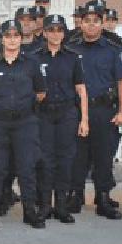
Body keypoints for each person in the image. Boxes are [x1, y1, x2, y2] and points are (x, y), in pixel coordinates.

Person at [0, 20, 48, 229]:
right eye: (8, 36)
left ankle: (29, 212)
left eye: (16, 36)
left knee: (27, 168)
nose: (12, 40)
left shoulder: (32, 63)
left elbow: (41, 93)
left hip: (25, 123)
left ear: (21, 38)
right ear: (2, 38)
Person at [67, 1, 122, 220]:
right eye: (87, 21)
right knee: (77, 156)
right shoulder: (71, 48)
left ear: (103, 24)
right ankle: (76, 195)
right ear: (80, 23)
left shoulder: (113, 50)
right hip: (77, 112)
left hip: (105, 110)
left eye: (96, 21)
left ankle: (102, 198)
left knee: (104, 156)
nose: (92, 25)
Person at [28, 14, 88, 224]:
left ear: (64, 33)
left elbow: (81, 89)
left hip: (66, 113)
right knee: (45, 161)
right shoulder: (34, 57)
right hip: (43, 114)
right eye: (51, 30)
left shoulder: (73, 57)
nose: (55, 34)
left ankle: (61, 206)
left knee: (65, 159)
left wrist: (85, 119)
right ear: (44, 32)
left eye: (59, 30)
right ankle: (45, 205)